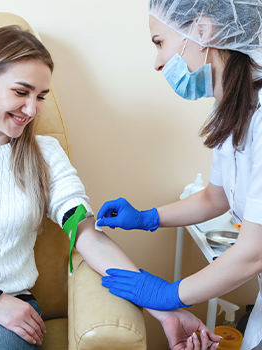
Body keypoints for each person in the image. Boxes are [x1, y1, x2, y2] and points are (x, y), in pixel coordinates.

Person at [0, 25, 221, 350]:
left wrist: (163, 308)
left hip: (4, 316)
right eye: (21, 92)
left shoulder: (45, 155)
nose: (32, 109)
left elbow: (87, 234)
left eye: (41, 96)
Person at [97, 1, 262, 349]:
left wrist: (171, 294)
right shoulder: (234, 105)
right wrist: (147, 217)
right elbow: (215, 197)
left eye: (159, 42)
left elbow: (253, 252)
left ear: (202, 32)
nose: (158, 63)